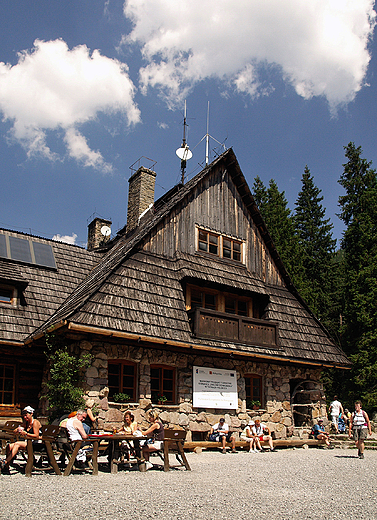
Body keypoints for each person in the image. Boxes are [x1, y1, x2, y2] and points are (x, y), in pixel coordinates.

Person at [0, 406, 41, 474]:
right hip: (28, 442)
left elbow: (36, 436)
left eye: (26, 415)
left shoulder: (35, 422)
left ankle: (5, 461)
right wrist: (17, 430)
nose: (25, 417)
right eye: (24, 416)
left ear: (31, 414)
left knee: (17, 444)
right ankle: (6, 467)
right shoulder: (26, 423)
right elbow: (16, 430)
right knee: (9, 446)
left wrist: (26, 434)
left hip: (36, 443)